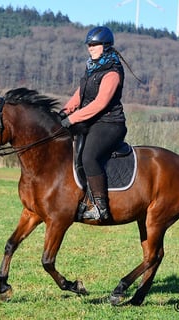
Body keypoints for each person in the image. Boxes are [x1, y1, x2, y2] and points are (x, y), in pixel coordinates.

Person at [60, 26, 127, 221]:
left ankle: (100, 207)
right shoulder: (92, 68)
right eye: (89, 45)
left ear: (105, 46)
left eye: (94, 44)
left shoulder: (113, 72)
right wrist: (65, 111)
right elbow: (79, 95)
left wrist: (72, 118)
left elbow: (100, 103)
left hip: (110, 123)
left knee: (89, 156)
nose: (90, 47)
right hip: (90, 120)